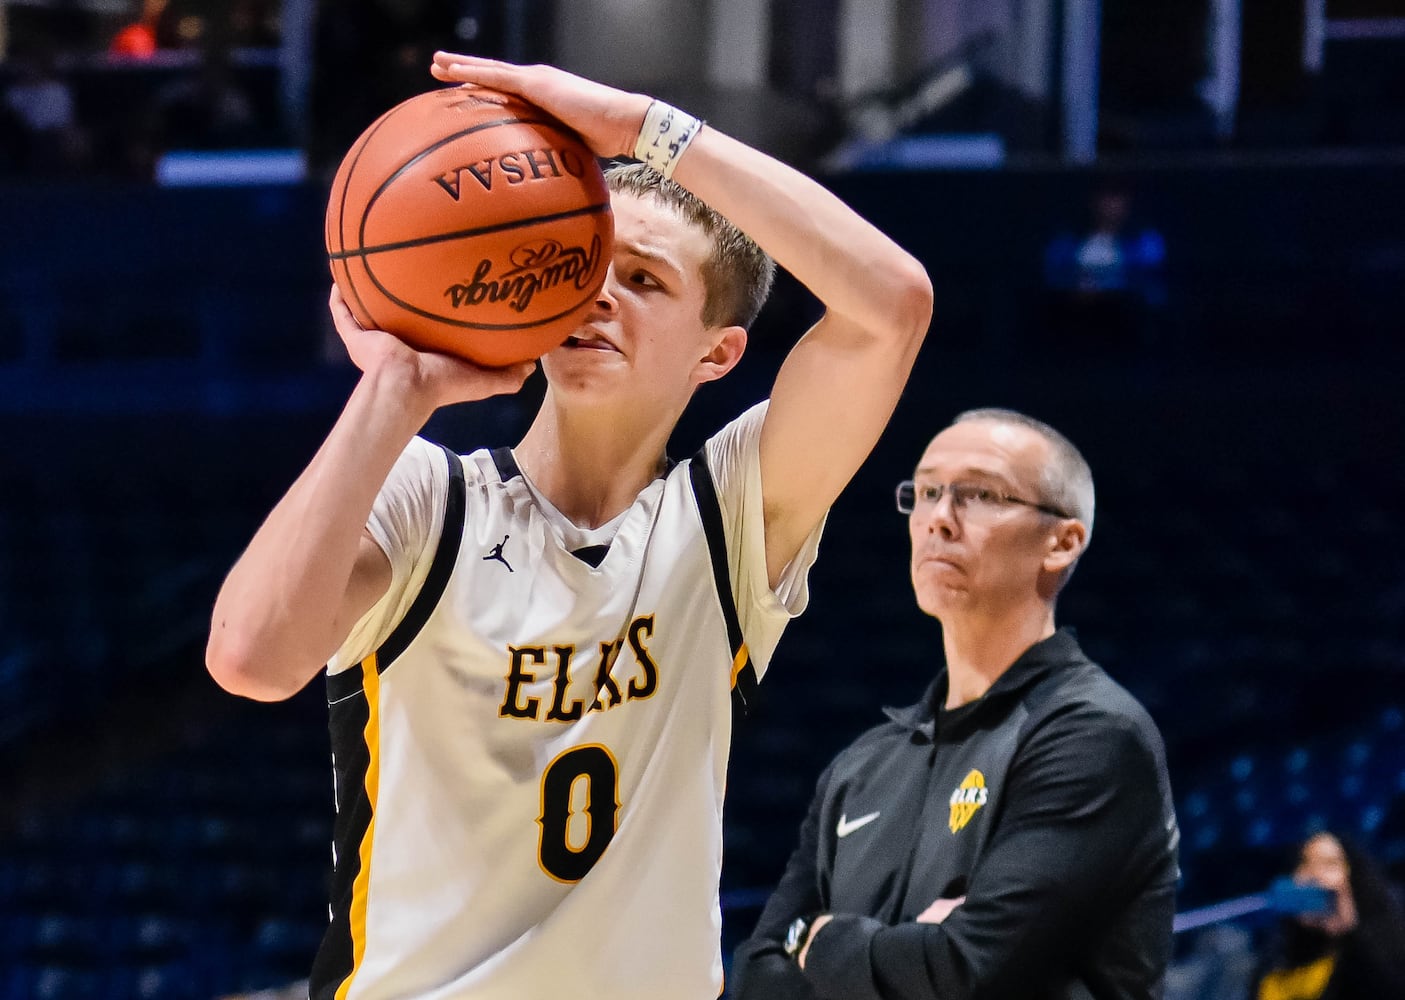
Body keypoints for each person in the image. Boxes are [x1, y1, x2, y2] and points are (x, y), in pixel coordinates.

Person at [205, 52, 932, 1000]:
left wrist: (641, 126)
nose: (599, 293)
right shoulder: (429, 494)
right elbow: (253, 662)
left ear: (718, 353)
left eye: (645, 279)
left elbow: (892, 305)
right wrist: (393, 390)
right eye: (585, 263)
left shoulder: (727, 517)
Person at [730, 408, 1179, 1000]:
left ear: (1062, 542)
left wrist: (821, 943)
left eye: (980, 495)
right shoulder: (862, 766)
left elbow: (965, 974)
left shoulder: (1094, 737)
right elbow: (758, 976)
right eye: (927, 492)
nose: (938, 519)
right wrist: (907, 951)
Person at [1254, 830, 1405, 1000]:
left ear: (1355, 877)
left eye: (1329, 864)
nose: (1314, 875)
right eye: (1305, 863)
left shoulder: (1386, 948)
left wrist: (1347, 929)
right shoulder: (1275, 957)